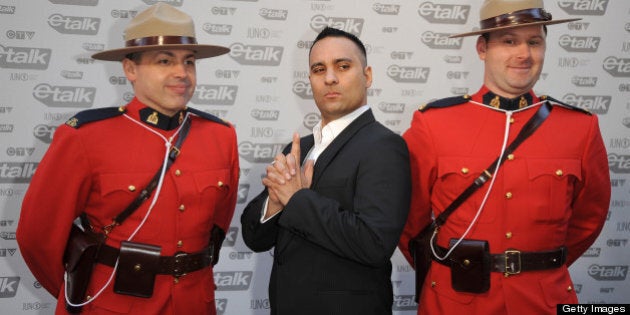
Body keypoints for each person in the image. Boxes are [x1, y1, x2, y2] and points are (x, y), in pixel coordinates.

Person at [16, 3, 239, 314]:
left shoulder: (220, 136)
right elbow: (37, 236)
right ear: (130, 69)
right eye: (164, 61)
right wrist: (78, 289)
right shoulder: (85, 137)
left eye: (189, 62)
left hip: (195, 303)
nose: (182, 73)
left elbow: (217, 226)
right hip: (112, 303)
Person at [397, 0, 611, 314]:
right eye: (509, 41)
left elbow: (588, 221)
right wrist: (448, 266)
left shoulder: (580, 128)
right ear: (482, 48)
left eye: (534, 41)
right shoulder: (433, 124)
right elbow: (409, 223)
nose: (524, 54)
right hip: (455, 300)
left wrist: (536, 266)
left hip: (542, 301)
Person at [241, 27, 411, 315]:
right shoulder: (298, 147)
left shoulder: (385, 146)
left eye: (343, 66)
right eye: (319, 69)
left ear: (367, 75)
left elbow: (374, 244)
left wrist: (296, 199)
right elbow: (254, 237)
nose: (330, 78)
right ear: (310, 80)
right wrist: (276, 200)